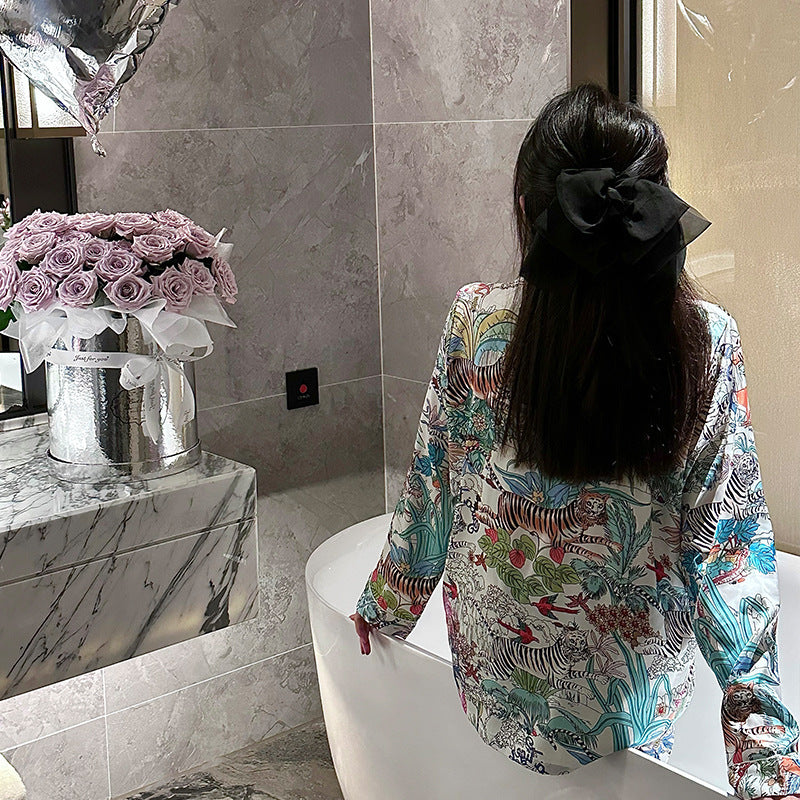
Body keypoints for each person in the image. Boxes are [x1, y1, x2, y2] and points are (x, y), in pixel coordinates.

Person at [351, 82, 800, 800]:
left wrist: (387, 607)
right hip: (631, 714)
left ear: (525, 210)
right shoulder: (706, 342)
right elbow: (730, 553)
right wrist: (766, 762)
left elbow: (434, 486)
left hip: (493, 692)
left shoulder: (475, 323)